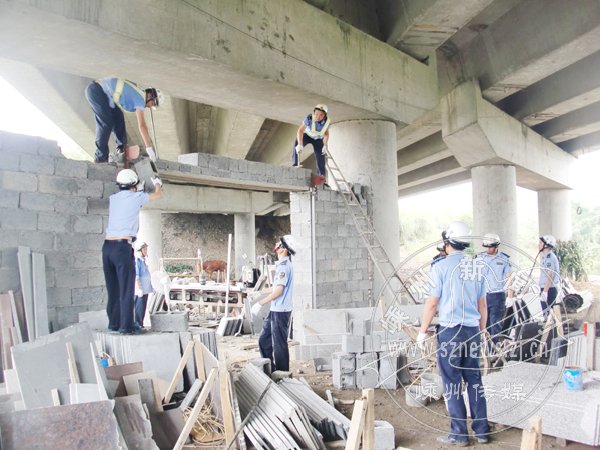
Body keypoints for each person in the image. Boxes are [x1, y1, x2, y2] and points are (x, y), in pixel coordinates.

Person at [417, 221, 490, 446]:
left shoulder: (440, 267)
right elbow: (483, 305)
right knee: (474, 380)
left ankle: (459, 434)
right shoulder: (476, 267)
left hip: (451, 332)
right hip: (472, 330)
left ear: (447, 243)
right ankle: (482, 431)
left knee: (452, 382)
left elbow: (432, 304)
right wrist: (482, 331)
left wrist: (422, 332)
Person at [103, 169, 162, 334]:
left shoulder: (114, 198)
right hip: (122, 248)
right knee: (126, 289)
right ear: (134, 184)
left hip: (107, 248)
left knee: (113, 289)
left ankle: (114, 324)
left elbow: (128, 203)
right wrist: (158, 184)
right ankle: (126, 327)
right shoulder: (137, 197)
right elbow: (158, 195)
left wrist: (138, 190)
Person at [85, 77, 162, 163]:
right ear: (150, 96)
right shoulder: (141, 99)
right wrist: (149, 148)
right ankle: (100, 158)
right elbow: (142, 125)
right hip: (96, 91)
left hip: (107, 96)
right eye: (152, 103)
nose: (150, 107)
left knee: (118, 117)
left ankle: (122, 149)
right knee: (106, 123)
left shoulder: (138, 91)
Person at [251, 235, 297, 372]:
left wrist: (261, 303)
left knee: (279, 345)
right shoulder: (282, 265)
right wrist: (259, 293)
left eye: (279, 244)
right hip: (275, 310)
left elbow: (279, 291)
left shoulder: (284, 267)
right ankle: (270, 369)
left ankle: (282, 375)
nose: (276, 245)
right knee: (264, 340)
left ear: (284, 248)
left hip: (281, 311)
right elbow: (275, 287)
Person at [477, 233, 511, 341]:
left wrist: (510, 296)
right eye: (486, 247)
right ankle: (484, 349)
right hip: (483, 296)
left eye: (490, 247)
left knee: (495, 325)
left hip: (497, 296)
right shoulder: (480, 258)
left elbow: (509, 277)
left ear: (496, 246)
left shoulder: (504, 259)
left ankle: (494, 349)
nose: (488, 249)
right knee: (483, 325)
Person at [291, 104, 331, 177]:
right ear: (314, 112)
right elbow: (300, 130)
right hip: (307, 135)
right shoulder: (309, 118)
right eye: (316, 114)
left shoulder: (326, 122)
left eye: (321, 115)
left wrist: (325, 145)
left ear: (324, 116)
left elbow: (326, 134)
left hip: (318, 139)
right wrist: (300, 144)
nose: (318, 117)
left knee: (320, 155)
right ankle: (295, 164)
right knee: (297, 144)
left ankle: (321, 176)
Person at [134, 241, 153, 329]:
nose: (146, 251)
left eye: (146, 249)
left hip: (145, 289)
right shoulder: (137, 261)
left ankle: (140, 324)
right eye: (144, 249)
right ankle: (138, 324)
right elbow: (136, 276)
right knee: (139, 308)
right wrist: (139, 288)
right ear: (140, 250)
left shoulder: (143, 261)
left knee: (143, 308)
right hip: (140, 290)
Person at [538, 235, 560, 313]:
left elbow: (550, 275)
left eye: (540, 243)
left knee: (548, 315)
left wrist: (545, 292)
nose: (538, 245)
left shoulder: (549, 258)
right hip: (547, 289)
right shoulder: (546, 257)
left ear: (546, 245)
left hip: (549, 290)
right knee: (548, 315)